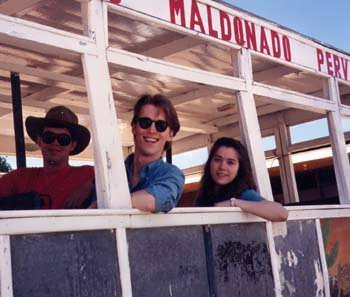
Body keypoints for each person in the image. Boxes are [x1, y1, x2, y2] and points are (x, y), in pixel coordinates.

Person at [0, 106, 95, 209]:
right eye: (49, 137)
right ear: (40, 141)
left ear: (72, 145)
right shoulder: (18, 178)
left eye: (63, 139)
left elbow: (113, 174)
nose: (55, 142)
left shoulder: (89, 174)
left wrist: (91, 184)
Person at [195, 137, 288, 221]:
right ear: (210, 163)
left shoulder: (243, 194)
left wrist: (233, 203)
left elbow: (281, 213)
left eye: (230, 162)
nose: (222, 167)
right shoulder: (204, 193)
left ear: (240, 168)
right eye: (217, 160)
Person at [125, 94, 185, 213]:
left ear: (171, 134)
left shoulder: (172, 174)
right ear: (133, 127)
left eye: (161, 125)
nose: (152, 130)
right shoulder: (113, 171)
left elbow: (159, 199)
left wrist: (103, 205)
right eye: (145, 122)